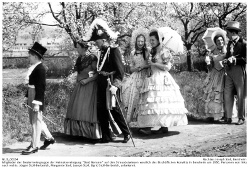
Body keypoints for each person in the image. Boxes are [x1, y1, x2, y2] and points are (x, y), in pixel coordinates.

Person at [83, 18, 130, 143]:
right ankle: (106, 135)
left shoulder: (114, 51)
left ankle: (126, 133)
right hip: (101, 82)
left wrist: (116, 85)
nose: (96, 44)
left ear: (104, 40)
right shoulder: (101, 52)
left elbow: (121, 71)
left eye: (97, 41)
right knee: (101, 109)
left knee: (115, 109)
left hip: (111, 82)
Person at [136, 28, 188, 135]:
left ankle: (161, 126)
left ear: (159, 40)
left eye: (153, 40)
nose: (151, 42)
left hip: (162, 78)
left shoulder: (165, 51)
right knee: (152, 102)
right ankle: (154, 126)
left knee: (161, 102)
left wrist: (154, 64)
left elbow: (168, 67)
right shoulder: (153, 51)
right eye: (150, 40)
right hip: (152, 77)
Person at [21, 42, 55, 155]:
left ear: (35, 56)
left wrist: (36, 103)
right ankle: (45, 139)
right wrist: (26, 98)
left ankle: (33, 146)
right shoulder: (35, 67)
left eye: (30, 55)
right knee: (34, 121)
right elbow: (31, 85)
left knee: (36, 122)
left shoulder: (40, 69)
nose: (28, 57)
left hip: (36, 96)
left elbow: (40, 88)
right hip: (32, 94)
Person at [64, 40, 101, 139]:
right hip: (80, 86)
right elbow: (77, 72)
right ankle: (78, 132)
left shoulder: (92, 58)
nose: (77, 50)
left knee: (86, 110)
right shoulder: (79, 58)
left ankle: (89, 134)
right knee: (77, 109)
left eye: (78, 47)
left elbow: (98, 73)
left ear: (84, 47)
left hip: (89, 86)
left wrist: (88, 80)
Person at [121, 28, 151, 126]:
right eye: (139, 41)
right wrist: (136, 68)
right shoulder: (132, 52)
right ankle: (133, 119)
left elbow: (150, 64)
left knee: (143, 98)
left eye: (142, 41)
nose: (140, 43)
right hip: (135, 76)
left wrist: (143, 66)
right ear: (135, 41)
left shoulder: (147, 51)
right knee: (132, 95)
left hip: (145, 76)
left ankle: (144, 121)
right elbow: (131, 68)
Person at [220, 21, 246, 125]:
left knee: (240, 94)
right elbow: (228, 56)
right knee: (227, 93)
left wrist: (235, 59)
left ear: (233, 33)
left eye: (228, 33)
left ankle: (241, 118)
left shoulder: (244, 43)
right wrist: (225, 60)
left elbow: (246, 59)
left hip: (239, 70)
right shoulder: (229, 43)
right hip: (229, 70)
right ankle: (228, 117)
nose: (227, 35)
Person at [203, 30, 227, 121]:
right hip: (214, 74)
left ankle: (224, 114)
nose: (220, 42)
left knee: (223, 94)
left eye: (221, 40)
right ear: (215, 42)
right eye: (218, 41)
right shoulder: (212, 52)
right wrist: (208, 62)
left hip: (224, 74)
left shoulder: (227, 50)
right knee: (212, 94)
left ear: (224, 41)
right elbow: (209, 67)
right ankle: (212, 115)